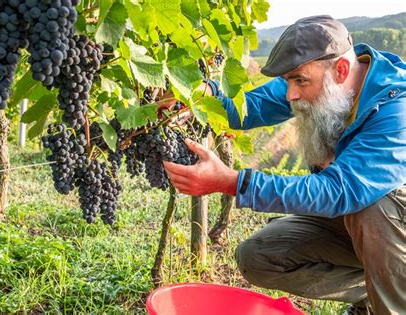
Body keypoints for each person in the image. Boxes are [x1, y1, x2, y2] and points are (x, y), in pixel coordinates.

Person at [159, 15, 405, 315]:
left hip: (390, 226)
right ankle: (370, 291)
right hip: (356, 224)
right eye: (289, 80)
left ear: (341, 70)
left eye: (300, 80)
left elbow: (342, 190)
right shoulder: (320, 76)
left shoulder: (395, 109)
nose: (290, 94)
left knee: (372, 206)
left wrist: (234, 182)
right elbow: (253, 106)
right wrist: (203, 96)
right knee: (259, 255)